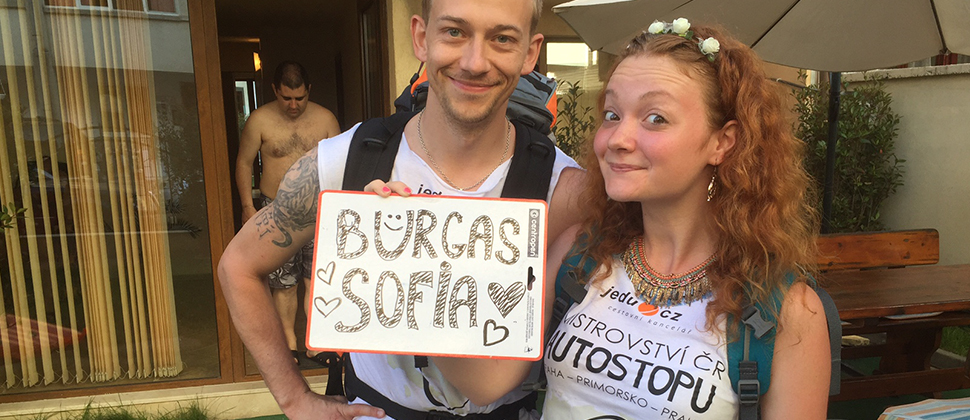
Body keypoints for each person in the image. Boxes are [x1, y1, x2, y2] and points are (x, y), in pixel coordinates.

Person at [435, 20, 831, 419]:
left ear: (722, 142)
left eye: (655, 118)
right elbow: (486, 384)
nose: (617, 139)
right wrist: (415, 264)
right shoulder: (580, 252)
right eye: (611, 114)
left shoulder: (786, 312)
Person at [218, 1, 585, 419]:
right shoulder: (348, 160)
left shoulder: (561, 183)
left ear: (530, 53)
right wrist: (293, 399)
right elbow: (238, 266)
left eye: (502, 38)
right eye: (454, 32)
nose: (474, 62)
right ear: (420, 37)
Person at [234, 61, 341, 365]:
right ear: (274, 91)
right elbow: (244, 162)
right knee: (284, 282)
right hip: (276, 210)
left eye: (299, 98)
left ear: (309, 91)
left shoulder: (326, 119)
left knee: (317, 278)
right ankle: (289, 345)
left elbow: (341, 162)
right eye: (286, 98)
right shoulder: (259, 120)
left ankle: (316, 343)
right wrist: (247, 206)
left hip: (319, 210)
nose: (293, 105)